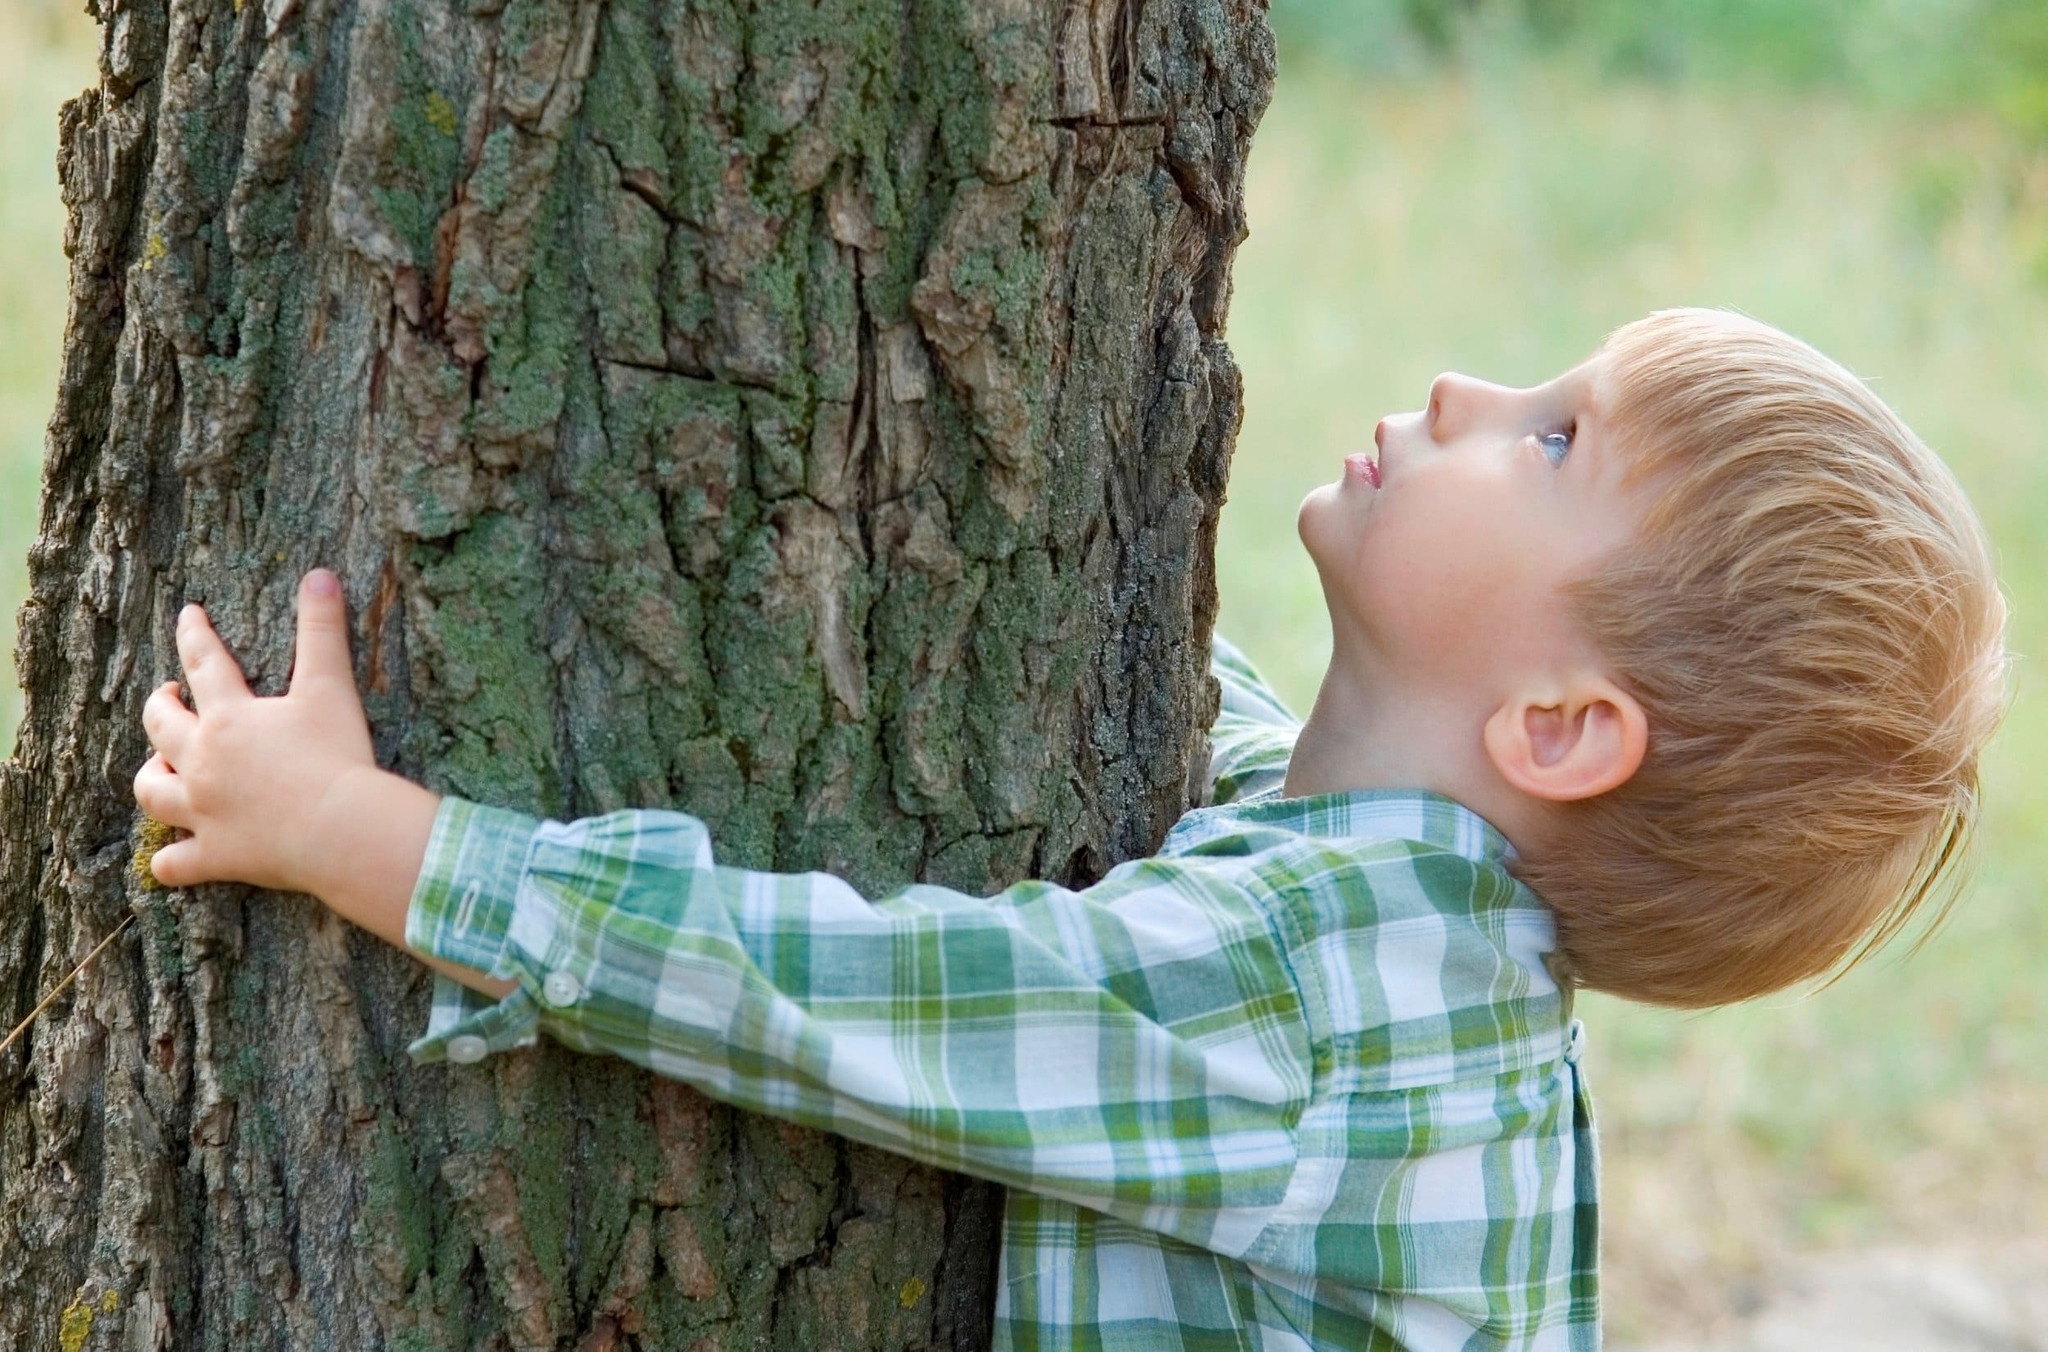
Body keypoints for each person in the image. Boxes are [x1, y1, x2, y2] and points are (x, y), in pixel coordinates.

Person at [132, 307, 2009, 1351]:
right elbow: (1249, 742)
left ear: (1566, 728)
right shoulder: (1394, 912)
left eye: (1552, 443)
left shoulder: (1325, 996)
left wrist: (368, 835)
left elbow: (827, 995)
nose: (1462, 388)